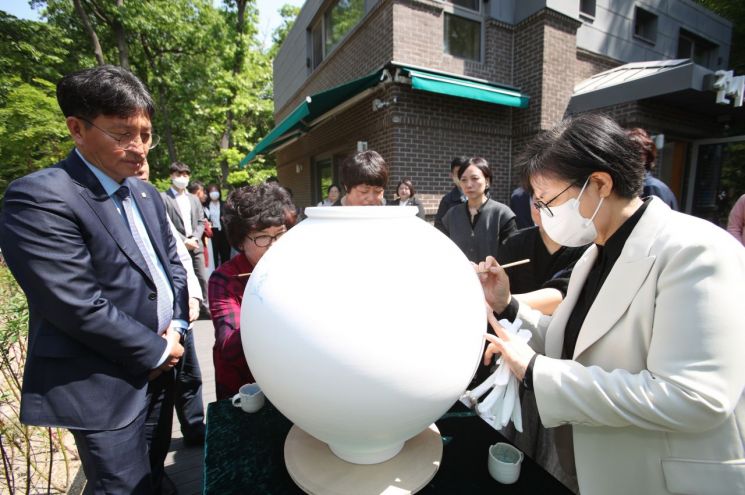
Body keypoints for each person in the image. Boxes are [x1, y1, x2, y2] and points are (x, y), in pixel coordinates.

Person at [477, 114, 745, 495]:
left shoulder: (697, 251)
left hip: (663, 478)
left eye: (548, 201)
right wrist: (508, 305)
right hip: (597, 467)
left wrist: (537, 372)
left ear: (599, 183)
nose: (542, 215)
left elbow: (694, 397)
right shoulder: (594, 254)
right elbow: (575, 342)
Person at [0, 65, 188, 494]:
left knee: (155, 470)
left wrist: (176, 325)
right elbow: (74, 303)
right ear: (76, 129)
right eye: (123, 133)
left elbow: (171, 267)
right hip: (104, 385)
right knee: (122, 486)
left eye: (146, 133)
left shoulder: (146, 194)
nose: (139, 148)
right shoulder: (41, 198)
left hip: (163, 366)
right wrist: (157, 349)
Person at [208, 183, 297, 400]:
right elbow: (229, 346)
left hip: (292, 384)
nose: (274, 245)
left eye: (280, 234)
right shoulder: (224, 279)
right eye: (262, 237)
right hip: (245, 390)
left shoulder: (296, 266)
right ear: (240, 241)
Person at [441, 157, 518, 263]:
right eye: (463, 180)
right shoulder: (451, 215)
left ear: (487, 181)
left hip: (493, 277)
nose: (468, 185)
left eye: (475, 178)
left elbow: (512, 254)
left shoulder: (502, 214)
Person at [161, 162, 210, 317]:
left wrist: (195, 237)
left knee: (202, 276)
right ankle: (183, 308)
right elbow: (164, 222)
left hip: (196, 244)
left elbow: (201, 221)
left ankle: (205, 308)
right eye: (178, 175)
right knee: (181, 278)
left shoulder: (194, 199)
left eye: (185, 175)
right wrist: (183, 240)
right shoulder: (164, 198)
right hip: (177, 245)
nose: (182, 178)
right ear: (171, 176)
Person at [626, 127, 679, 210]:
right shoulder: (636, 186)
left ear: (647, 156)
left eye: (636, 153)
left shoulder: (651, 188)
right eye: (626, 153)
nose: (630, 158)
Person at [434, 156, 468, 233]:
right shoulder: (447, 200)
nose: (461, 176)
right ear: (451, 175)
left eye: (464, 172)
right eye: (458, 173)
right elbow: (439, 226)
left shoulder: (481, 196)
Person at [206, 183, 232, 266]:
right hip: (212, 233)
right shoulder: (205, 206)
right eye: (212, 191)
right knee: (214, 256)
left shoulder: (224, 204)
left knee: (225, 255)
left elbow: (230, 217)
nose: (214, 193)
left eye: (216, 190)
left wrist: (226, 219)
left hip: (223, 232)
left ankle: (227, 273)